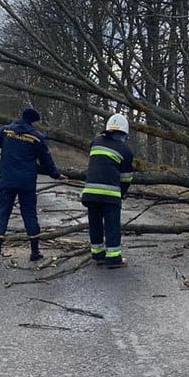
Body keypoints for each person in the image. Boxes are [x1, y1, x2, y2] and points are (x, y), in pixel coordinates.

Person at [0, 107, 66, 265]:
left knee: (2, 214)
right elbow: (46, 160)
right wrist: (55, 174)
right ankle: (34, 252)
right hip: (27, 183)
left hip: (7, 181)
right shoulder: (37, 137)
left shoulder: (5, 132)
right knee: (29, 215)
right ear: (34, 121)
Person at [81, 113, 135, 269]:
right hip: (110, 194)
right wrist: (122, 193)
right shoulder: (126, 150)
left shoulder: (96, 141)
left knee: (95, 224)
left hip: (90, 192)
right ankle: (114, 258)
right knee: (112, 225)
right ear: (125, 132)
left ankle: (98, 255)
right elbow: (126, 177)